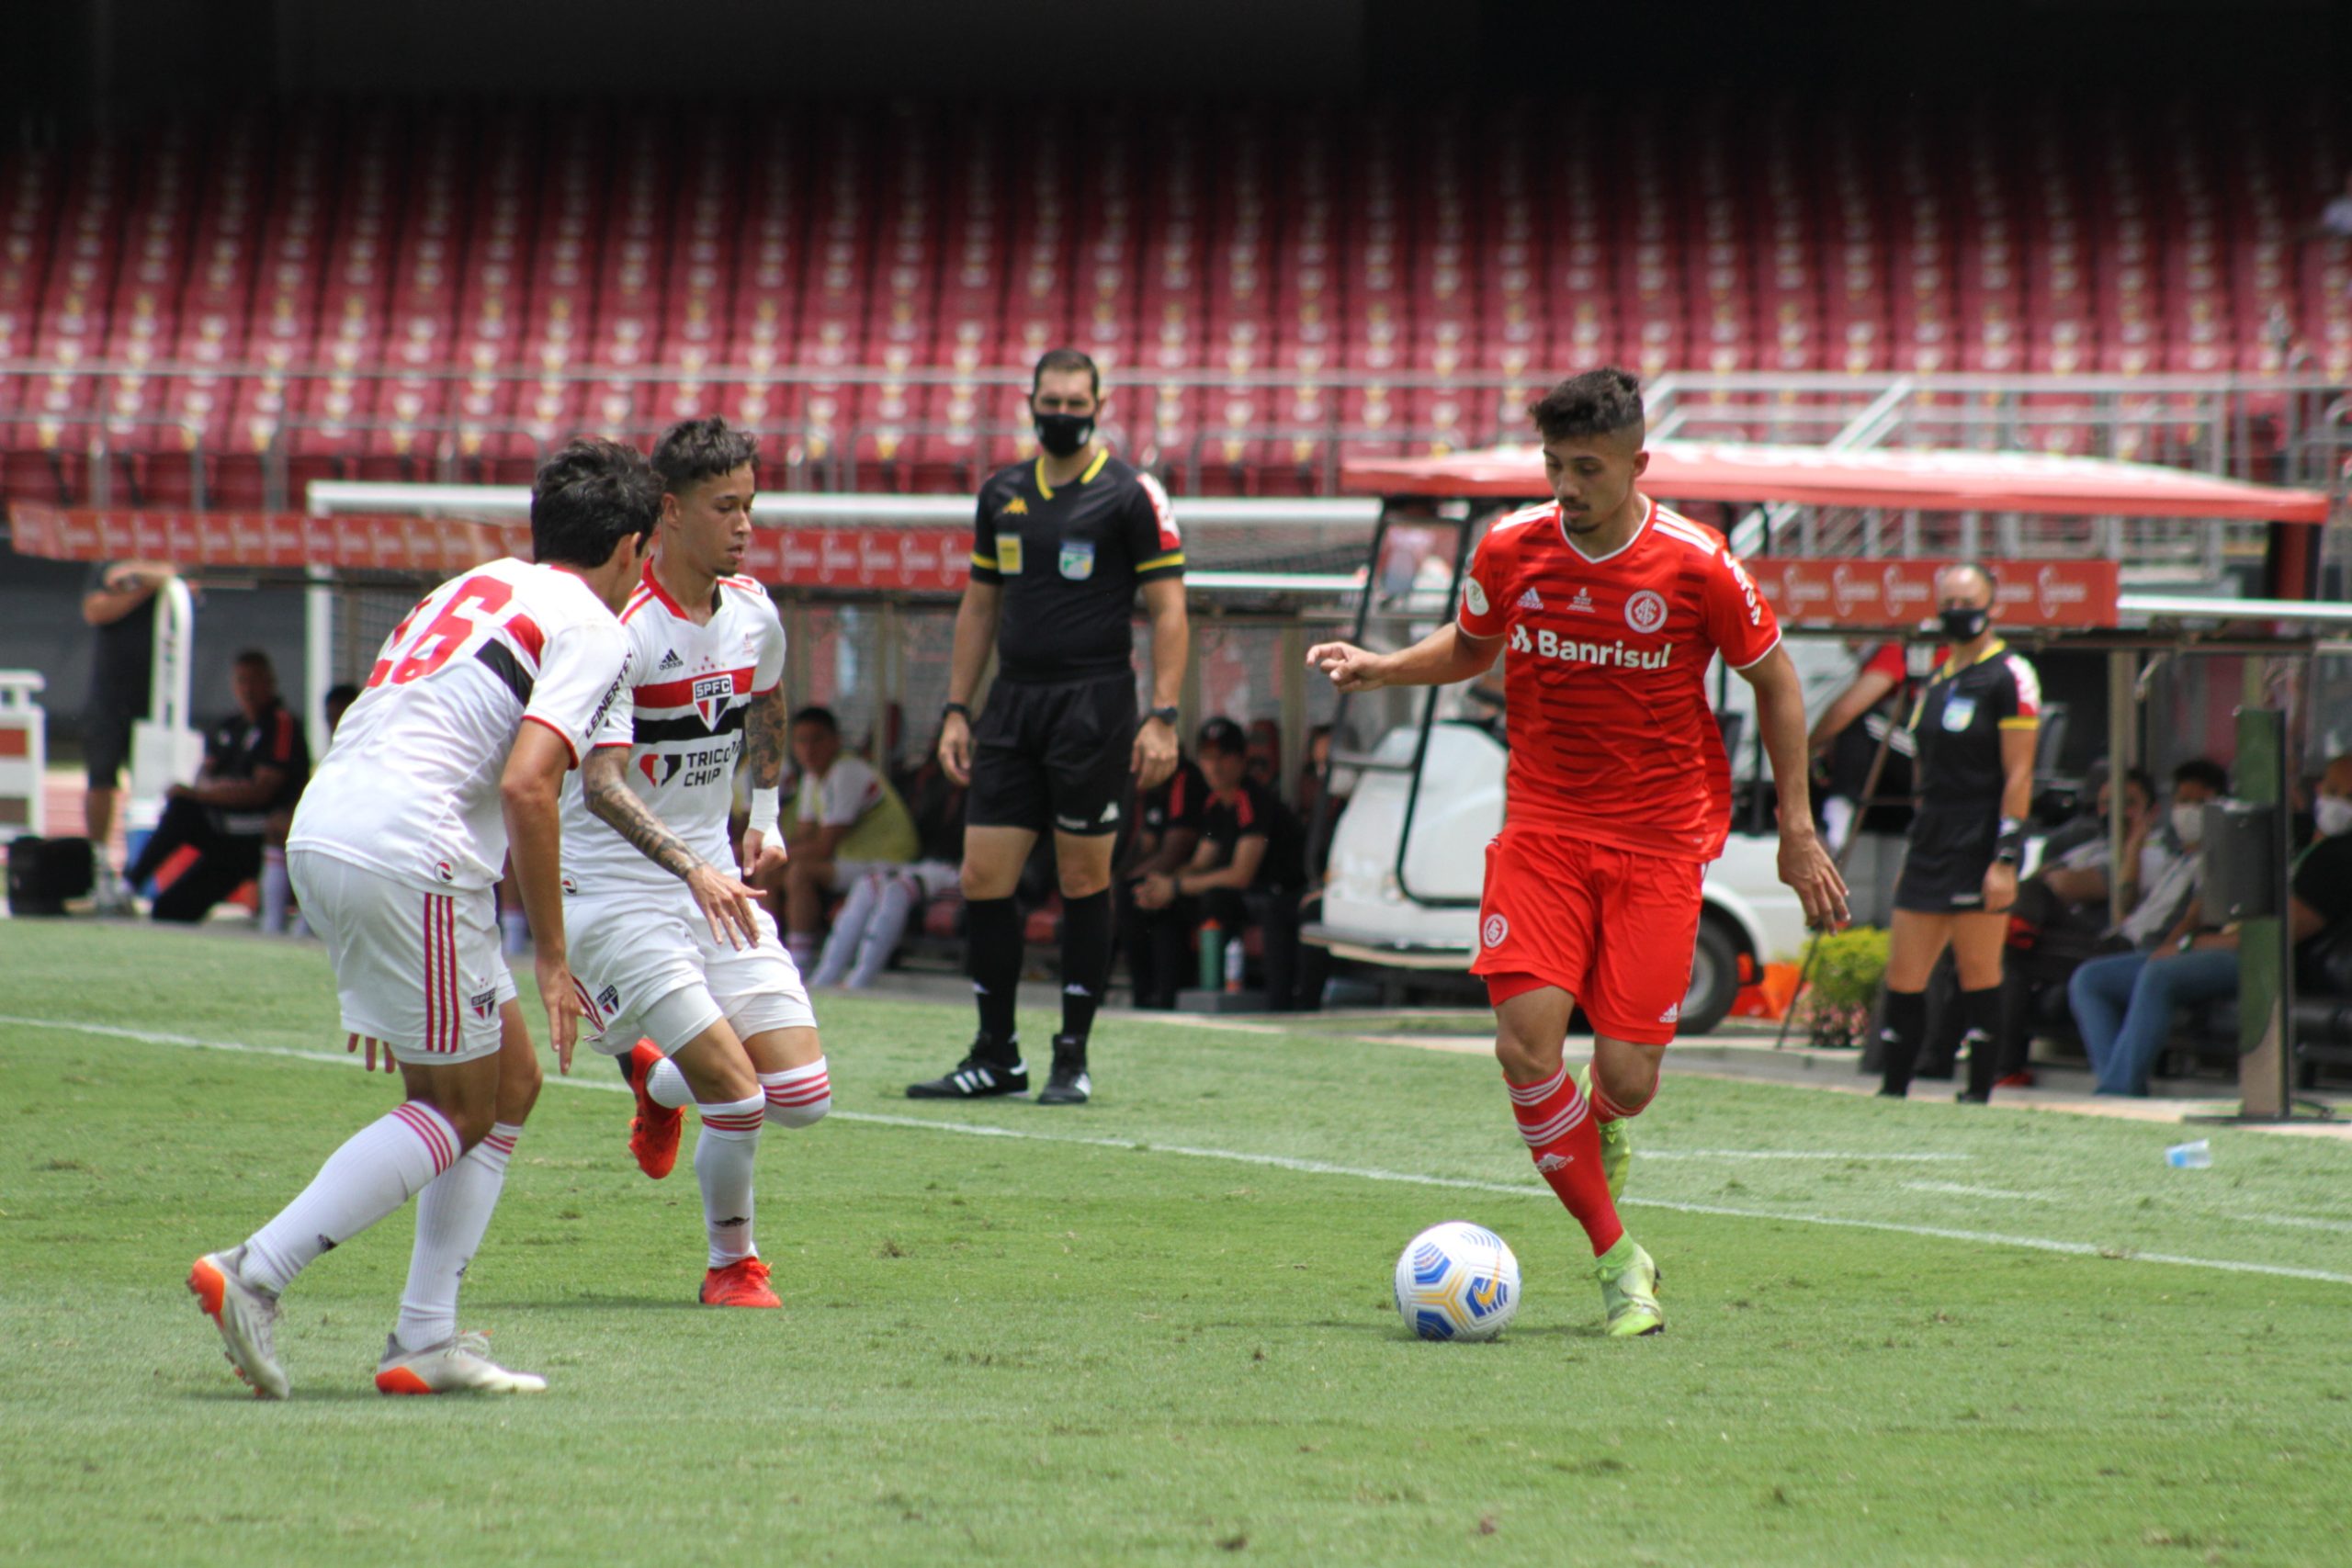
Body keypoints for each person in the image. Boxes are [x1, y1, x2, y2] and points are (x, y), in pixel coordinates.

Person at [187, 437, 759, 1399]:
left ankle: (424, 1338)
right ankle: (256, 1271)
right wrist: (552, 957)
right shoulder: (595, 626)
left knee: (513, 1083)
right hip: (416, 849)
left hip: (330, 827)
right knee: (455, 1109)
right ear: (630, 546)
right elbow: (531, 788)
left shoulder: (470, 587)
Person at [1307, 367, 1847, 1337]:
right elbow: (1473, 646)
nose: (1565, 485)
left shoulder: (1698, 564)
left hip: (1659, 840)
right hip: (1543, 832)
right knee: (1523, 1047)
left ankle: (1601, 1127)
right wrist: (1380, 665)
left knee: (1629, 1083)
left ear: (1638, 463)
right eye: (1554, 464)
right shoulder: (1514, 546)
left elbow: (1776, 684)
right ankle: (1615, 1258)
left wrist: (1797, 831)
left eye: (1586, 468)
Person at [562, 416, 828, 1309]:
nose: (745, 524)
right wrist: (692, 866)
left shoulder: (752, 609)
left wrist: (768, 815)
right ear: (670, 513)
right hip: (618, 886)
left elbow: (768, 704)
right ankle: (732, 1267)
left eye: (751, 504)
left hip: (713, 865)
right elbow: (600, 784)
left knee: (805, 1094)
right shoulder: (621, 631)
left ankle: (655, 1077)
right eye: (725, 507)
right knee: (741, 1095)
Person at [910, 345, 1190, 1106]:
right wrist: (958, 707)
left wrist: (1163, 716)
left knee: (1081, 879)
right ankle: (997, 1053)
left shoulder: (1132, 493)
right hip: (1013, 705)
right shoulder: (1001, 492)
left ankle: (1072, 1054)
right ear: (1029, 402)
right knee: (982, 878)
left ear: (1100, 406)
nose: (1062, 413)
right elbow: (979, 604)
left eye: (1076, 402)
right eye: (1051, 401)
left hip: (1094, 706)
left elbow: (1169, 609)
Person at [2069, 754, 2352, 1095]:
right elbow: (2217, 889)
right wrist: (2182, 936)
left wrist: (2190, 946)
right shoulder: (2297, 833)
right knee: (2091, 980)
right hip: (2214, 944)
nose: (2336, 803)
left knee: (2160, 974)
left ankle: (2117, 1089)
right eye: (2333, 791)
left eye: (2348, 798)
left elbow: (2272, 937)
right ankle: (2115, 1082)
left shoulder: (2340, 859)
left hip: (2259, 961)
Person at [1875, 564, 2042, 1101]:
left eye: (1968, 600)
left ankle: (1977, 1095)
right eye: (1948, 600)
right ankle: (1893, 1091)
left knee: (1977, 970)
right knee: (1904, 972)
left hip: (1980, 840)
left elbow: (2019, 773)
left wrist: (2006, 856)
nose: (1956, 610)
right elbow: (1925, 767)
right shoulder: (1939, 677)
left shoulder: (2010, 674)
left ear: (1994, 607)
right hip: (1930, 839)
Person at [1963, 764, 2155, 1095]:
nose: (2116, 811)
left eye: (2129, 803)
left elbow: (2112, 899)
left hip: (2115, 944)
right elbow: (2042, 877)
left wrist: (2134, 843)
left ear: (2151, 810)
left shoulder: (2154, 852)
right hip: (2065, 936)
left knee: (2027, 908)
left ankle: (2014, 932)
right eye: (2107, 803)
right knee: (2007, 959)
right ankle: (2004, 1068)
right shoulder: (2089, 847)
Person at [1128, 717, 1306, 1006]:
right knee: (1159, 901)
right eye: (1208, 758)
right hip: (1242, 896)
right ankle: (1160, 997)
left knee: (1212, 899)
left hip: (1274, 892)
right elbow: (1201, 861)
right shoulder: (1214, 804)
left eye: (1223, 757)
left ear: (1240, 760)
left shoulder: (1253, 799)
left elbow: (1241, 875)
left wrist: (1176, 885)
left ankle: (1224, 993)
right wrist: (1161, 886)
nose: (1215, 766)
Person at [123, 649, 309, 925]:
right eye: (241, 681)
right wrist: (214, 790)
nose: (247, 689)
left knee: (185, 805)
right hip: (221, 830)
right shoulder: (230, 726)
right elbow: (203, 775)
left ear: (270, 682)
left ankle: (130, 883)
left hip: (255, 833)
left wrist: (208, 793)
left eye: (254, 680)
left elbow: (262, 790)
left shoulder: (281, 724)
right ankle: (129, 887)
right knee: (167, 910)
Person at [808, 738, 966, 989]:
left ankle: (861, 979)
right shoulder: (929, 784)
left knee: (897, 889)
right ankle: (825, 976)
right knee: (868, 884)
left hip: (962, 871)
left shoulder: (987, 783)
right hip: (926, 864)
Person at [774, 705, 917, 971]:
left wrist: (774, 857)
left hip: (887, 864)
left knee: (799, 873)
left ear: (836, 740)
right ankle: (765, 950)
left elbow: (824, 847)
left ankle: (799, 962)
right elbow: (804, 835)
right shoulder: (812, 778)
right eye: (801, 741)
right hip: (852, 863)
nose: (809, 749)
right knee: (768, 873)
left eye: (817, 739)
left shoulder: (847, 772)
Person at [80, 557, 176, 912]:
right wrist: (146, 589)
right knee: (101, 778)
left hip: (155, 696)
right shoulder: (105, 562)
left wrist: (137, 579)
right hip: (108, 695)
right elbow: (96, 610)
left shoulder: (169, 549)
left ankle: (141, 872)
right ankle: (100, 863)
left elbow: (175, 575)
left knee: (155, 788)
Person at [1117, 742, 1208, 1009]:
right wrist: (1118, 877)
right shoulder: (1153, 786)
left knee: (1149, 896)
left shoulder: (1183, 778)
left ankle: (1163, 996)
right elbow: (1146, 845)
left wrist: (1137, 883)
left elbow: (1175, 849)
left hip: (1193, 877)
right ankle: (1141, 995)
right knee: (1125, 892)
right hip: (1177, 877)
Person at [1806, 638, 1917, 852]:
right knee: (1835, 741)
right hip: (1904, 754)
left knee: (1858, 724)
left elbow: (1847, 709)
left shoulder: (1895, 648)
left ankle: (1834, 834)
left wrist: (1802, 752)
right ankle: (1821, 822)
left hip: (1932, 756)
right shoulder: (1875, 656)